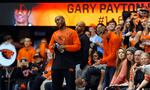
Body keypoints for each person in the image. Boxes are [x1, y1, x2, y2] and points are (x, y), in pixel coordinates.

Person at [49, 15, 81, 90]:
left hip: (69, 63)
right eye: (56, 21)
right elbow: (50, 46)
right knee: (55, 86)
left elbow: (78, 46)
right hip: (57, 63)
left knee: (70, 86)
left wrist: (65, 47)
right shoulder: (55, 33)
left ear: (63, 20)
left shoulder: (72, 32)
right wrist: (52, 47)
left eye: (58, 20)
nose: (57, 22)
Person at [99, 19, 122, 90]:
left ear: (106, 32)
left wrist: (102, 61)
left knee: (111, 83)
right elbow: (105, 51)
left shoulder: (115, 38)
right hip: (109, 63)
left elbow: (114, 54)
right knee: (105, 83)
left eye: (102, 35)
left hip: (115, 63)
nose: (101, 37)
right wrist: (104, 61)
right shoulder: (104, 38)